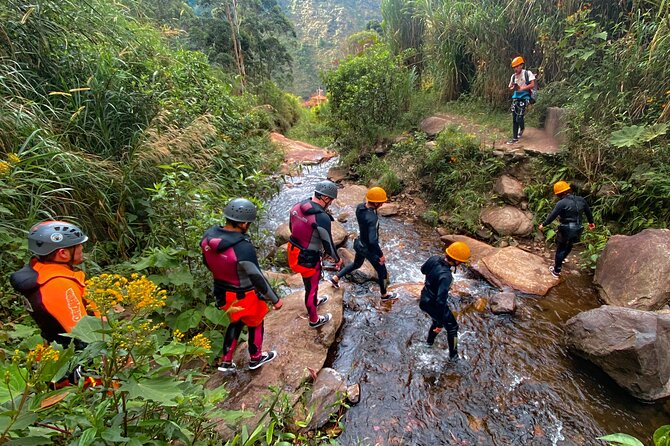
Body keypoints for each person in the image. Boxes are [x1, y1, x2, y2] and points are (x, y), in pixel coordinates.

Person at [201, 198, 283, 372]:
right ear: (244, 223)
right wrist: (275, 299)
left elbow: (207, 264)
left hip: (222, 292)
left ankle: (226, 361)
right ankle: (256, 358)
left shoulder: (208, 238)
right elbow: (257, 277)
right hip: (243, 294)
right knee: (256, 322)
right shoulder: (242, 248)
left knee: (235, 322)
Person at [10, 221, 92, 350]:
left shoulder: (40, 272)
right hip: (75, 357)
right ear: (63, 253)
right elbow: (84, 334)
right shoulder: (60, 285)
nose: (82, 247)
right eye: (77, 245)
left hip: (56, 348)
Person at [288, 180, 343, 329]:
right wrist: (337, 259)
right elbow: (328, 243)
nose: (330, 203)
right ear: (325, 198)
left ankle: (315, 301)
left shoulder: (298, 206)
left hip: (293, 250)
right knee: (311, 288)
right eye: (330, 200)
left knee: (310, 285)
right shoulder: (321, 217)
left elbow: (291, 227)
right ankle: (314, 320)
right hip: (308, 258)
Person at [328, 186, 396, 300]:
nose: (383, 204)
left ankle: (336, 278)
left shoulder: (360, 207)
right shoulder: (372, 218)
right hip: (369, 249)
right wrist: (380, 255)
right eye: (381, 202)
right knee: (382, 272)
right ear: (375, 203)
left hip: (359, 244)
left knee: (356, 264)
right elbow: (373, 241)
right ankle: (384, 295)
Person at [419, 241, 471, 360]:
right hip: (433, 303)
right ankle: (454, 357)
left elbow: (423, 270)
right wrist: (441, 321)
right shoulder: (446, 276)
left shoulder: (434, 259)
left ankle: (429, 344)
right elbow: (440, 301)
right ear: (457, 261)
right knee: (452, 327)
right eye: (461, 262)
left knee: (436, 321)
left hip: (424, 298)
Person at [538, 181, 595, 278]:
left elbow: (552, 216)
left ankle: (556, 271)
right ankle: (562, 259)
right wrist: (591, 223)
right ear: (568, 189)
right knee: (569, 245)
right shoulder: (581, 200)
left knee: (560, 249)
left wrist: (543, 224)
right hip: (578, 228)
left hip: (566, 228)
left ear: (559, 193)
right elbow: (588, 212)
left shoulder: (561, 203)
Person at [506, 56, 536, 144]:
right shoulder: (513, 76)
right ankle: (514, 138)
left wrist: (522, 88)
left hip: (525, 97)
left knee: (519, 116)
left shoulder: (527, 73)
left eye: (517, 66)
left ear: (521, 65)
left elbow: (532, 84)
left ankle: (522, 128)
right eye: (514, 67)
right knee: (515, 118)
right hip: (516, 97)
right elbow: (510, 86)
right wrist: (513, 87)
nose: (515, 69)